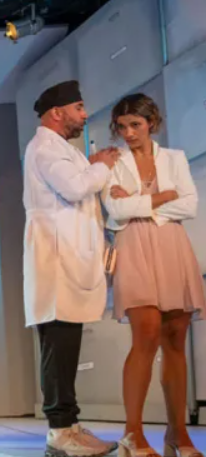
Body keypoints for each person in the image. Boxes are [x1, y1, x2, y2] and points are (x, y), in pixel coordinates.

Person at [102, 93, 205, 457]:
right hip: (133, 246)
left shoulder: (174, 158)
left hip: (171, 246)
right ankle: (133, 434)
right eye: (122, 126)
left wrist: (138, 203)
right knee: (145, 333)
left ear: (152, 123)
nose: (128, 133)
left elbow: (190, 204)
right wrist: (163, 197)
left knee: (175, 337)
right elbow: (116, 211)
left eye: (135, 125)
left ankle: (178, 434)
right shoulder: (113, 161)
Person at [22, 80, 121, 456]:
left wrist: (93, 168)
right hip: (56, 258)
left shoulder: (62, 149)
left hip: (68, 256)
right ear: (56, 113)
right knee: (58, 346)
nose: (84, 114)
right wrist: (102, 166)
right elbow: (77, 188)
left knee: (66, 346)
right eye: (78, 108)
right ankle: (60, 433)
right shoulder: (46, 148)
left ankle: (70, 425)